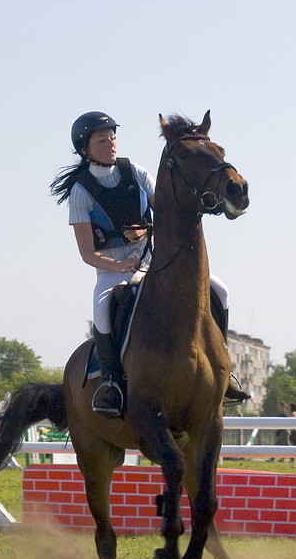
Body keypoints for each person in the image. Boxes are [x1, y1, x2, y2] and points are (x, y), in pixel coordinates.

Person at [50, 111, 248, 418]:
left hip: (154, 263)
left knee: (220, 290)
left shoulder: (135, 172)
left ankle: (223, 370)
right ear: (85, 148)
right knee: (102, 312)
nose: (111, 143)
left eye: (113, 136)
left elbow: (164, 207)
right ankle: (112, 385)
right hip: (112, 272)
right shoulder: (80, 192)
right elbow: (87, 253)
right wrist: (119, 265)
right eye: (102, 139)